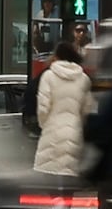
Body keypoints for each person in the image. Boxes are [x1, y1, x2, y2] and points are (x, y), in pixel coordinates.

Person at [33, 26, 94, 181]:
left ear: (58, 56)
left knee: (46, 185)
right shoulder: (84, 79)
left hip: (51, 133)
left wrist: (46, 125)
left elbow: (43, 108)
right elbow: (87, 110)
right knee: (69, 185)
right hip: (74, 133)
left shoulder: (48, 76)